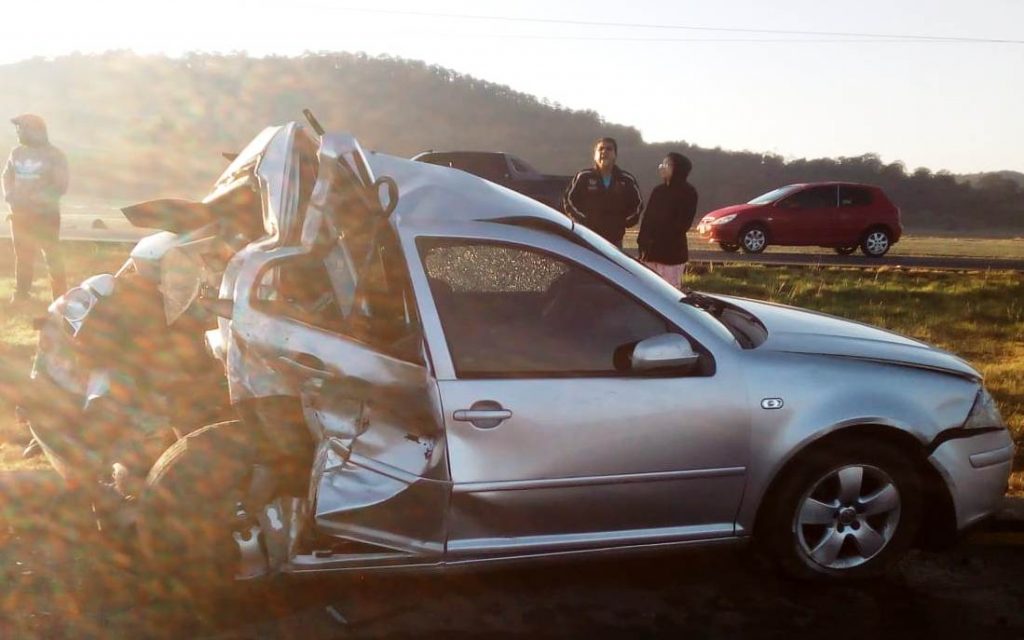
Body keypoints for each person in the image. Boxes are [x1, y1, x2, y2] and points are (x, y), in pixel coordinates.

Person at [2, 113, 68, 303]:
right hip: (20, 214)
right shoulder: (17, 153)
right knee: (23, 257)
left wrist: (36, 200)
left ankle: (61, 297)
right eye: (17, 128)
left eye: (21, 128)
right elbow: (6, 176)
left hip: (46, 215)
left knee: (52, 256)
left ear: (36, 130)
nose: (18, 132)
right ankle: (22, 295)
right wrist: (10, 197)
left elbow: (60, 186)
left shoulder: (55, 155)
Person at [564, 137, 643, 248]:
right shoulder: (584, 177)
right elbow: (568, 200)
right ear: (595, 155)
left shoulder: (626, 179)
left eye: (609, 149)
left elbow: (637, 205)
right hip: (588, 237)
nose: (604, 152)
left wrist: (622, 223)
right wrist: (584, 220)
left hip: (615, 240)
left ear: (615, 155)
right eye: (600, 149)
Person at [637, 153, 698, 288]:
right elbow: (647, 218)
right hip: (650, 253)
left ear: (678, 168)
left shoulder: (688, 192)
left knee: (669, 292)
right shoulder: (658, 191)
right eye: (662, 164)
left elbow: (683, 224)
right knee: (648, 290)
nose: (662, 167)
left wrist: (660, 236)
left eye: (667, 164)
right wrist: (642, 241)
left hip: (672, 253)